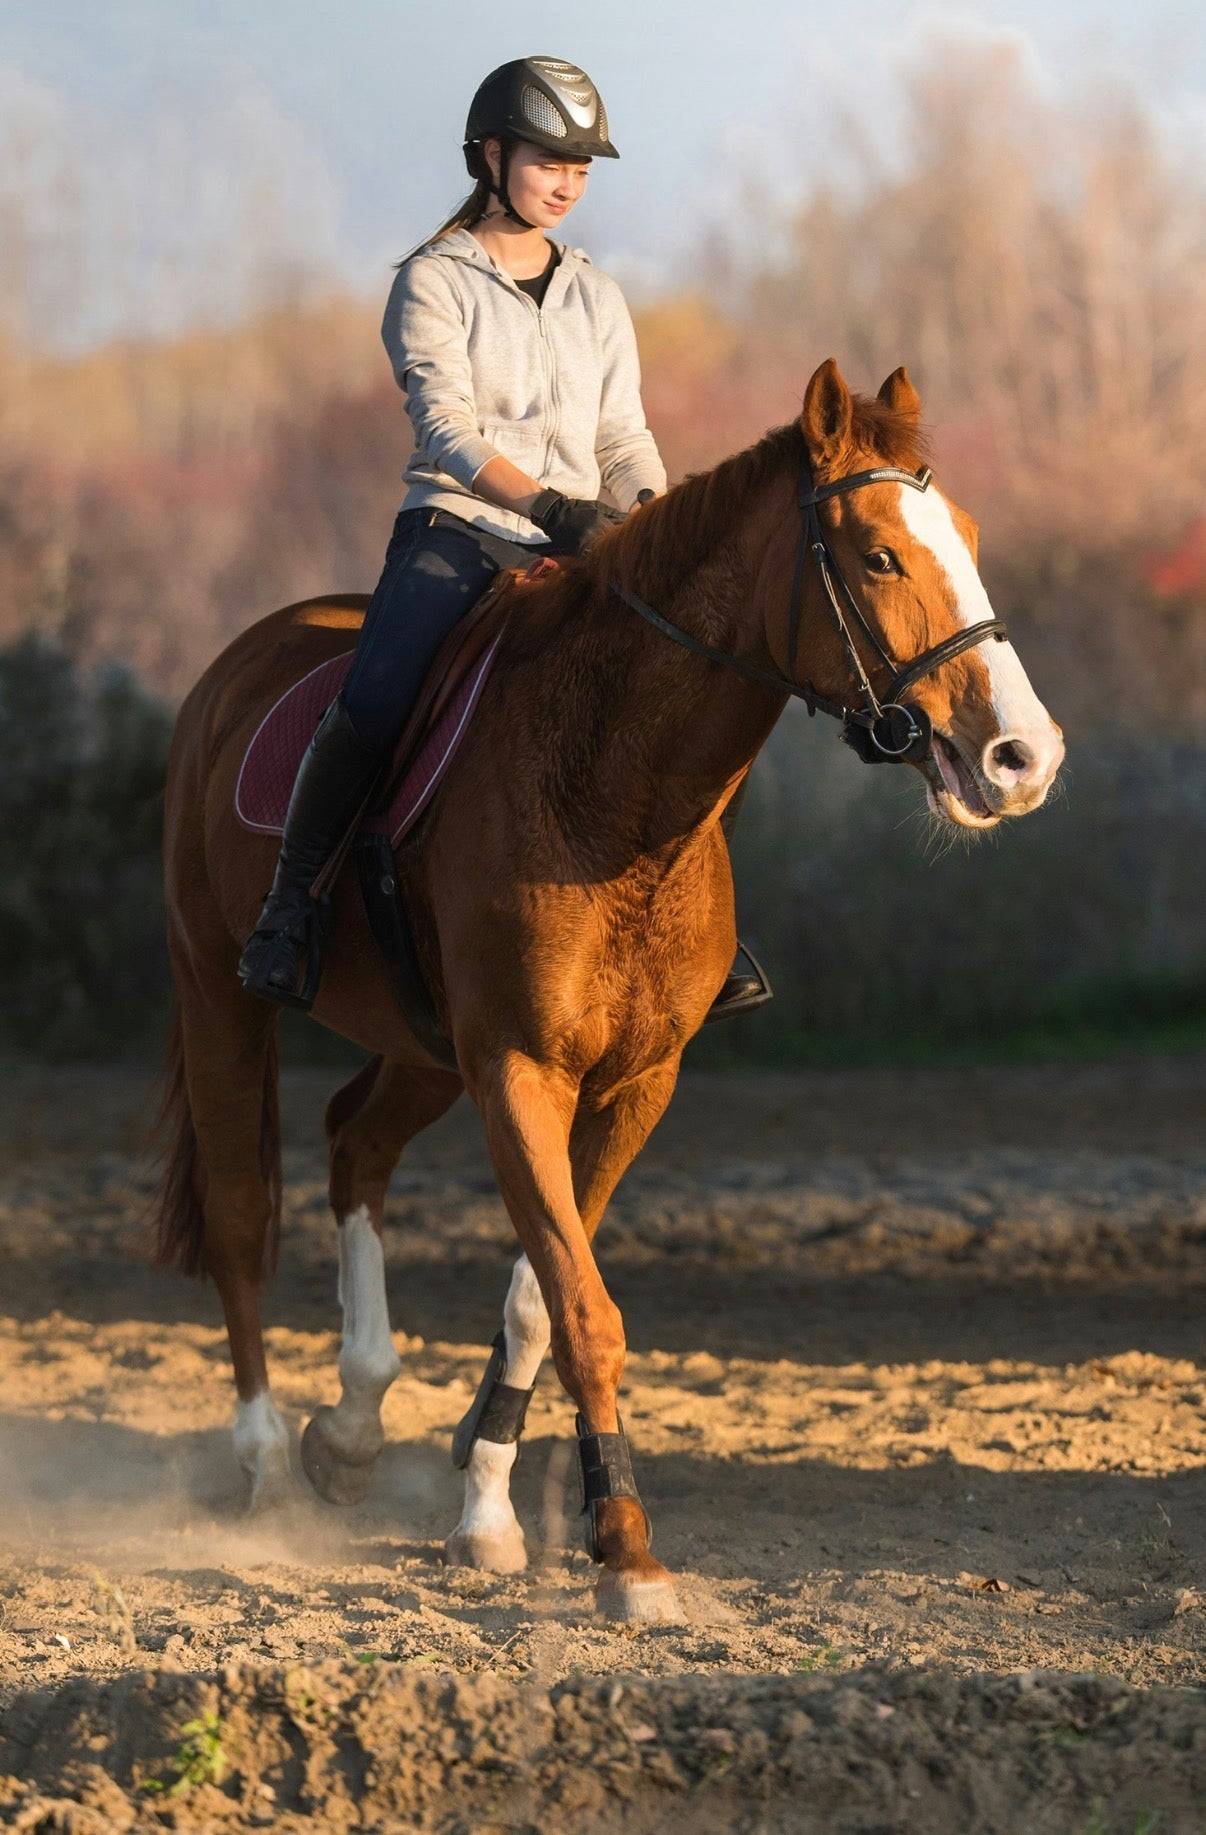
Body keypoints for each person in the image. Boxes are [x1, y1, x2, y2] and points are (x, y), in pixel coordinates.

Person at [238, 54, 769, 1022]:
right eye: (547, 159)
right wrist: (552, 511)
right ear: (490, 155)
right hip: (463, 529)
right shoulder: (431, 283)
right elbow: (448, 430)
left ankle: (701, 928)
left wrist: (648, 523)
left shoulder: (599, 297)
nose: (566, 181)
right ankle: (291, 907)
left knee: (697, 686)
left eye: (581, 166)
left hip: (586, 546)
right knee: (378, 693)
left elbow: (621, 436)